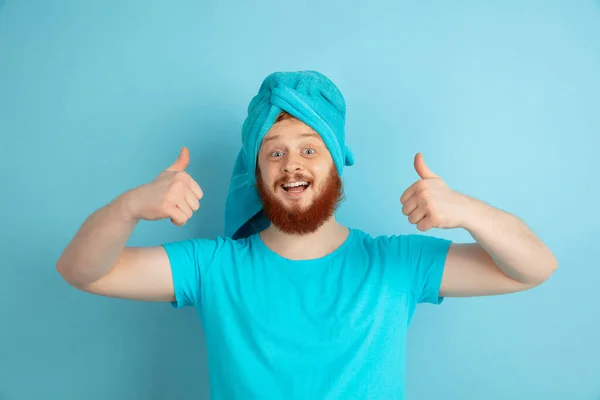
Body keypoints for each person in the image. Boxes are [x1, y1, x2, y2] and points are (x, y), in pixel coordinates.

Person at [56, 70, 557, 399]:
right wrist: (129, 208)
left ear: (336, 164)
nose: (291, 163)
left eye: (310, 148)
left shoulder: (397, 265)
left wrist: (467, 211)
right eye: (273, 151)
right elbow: (81, 271)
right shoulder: (212, 268)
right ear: (255, 172)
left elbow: (534, 268)